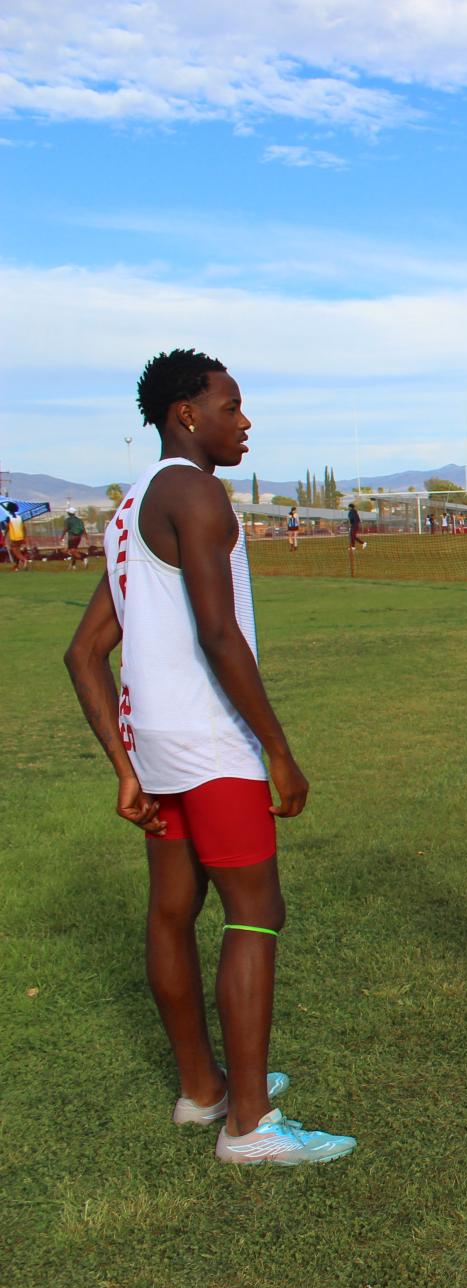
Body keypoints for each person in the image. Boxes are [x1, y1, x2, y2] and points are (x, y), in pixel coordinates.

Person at [63, 348, 352, 1165]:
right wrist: (278, 749)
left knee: (172, 910)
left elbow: (84, 653)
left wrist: (126, 767)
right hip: (210, 742)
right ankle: (250, 1126)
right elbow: (219, 632)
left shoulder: (130, 508)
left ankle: (202, 1090)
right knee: (257, 914)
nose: (244, 420)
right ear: (185, 414)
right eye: (231, 405)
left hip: (157, 745)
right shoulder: (197, 492)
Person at [3, 501, 24, 570]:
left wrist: (4, 536)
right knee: (17, 550)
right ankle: (17, 565)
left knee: (13, 551)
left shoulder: (8, 518)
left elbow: (7, 528)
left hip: (11, 535)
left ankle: (20, 563)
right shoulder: (19, 517)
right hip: (19, 535)